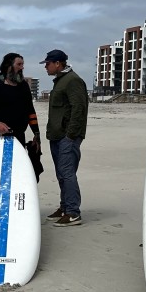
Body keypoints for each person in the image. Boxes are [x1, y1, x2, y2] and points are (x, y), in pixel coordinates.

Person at [40, 49, 88, 227]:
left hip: (67, 137)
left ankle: (73, 212)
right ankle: (65, 207)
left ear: (57, 63)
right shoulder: (61, 81)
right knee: (62, 174)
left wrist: (71, 135)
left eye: (47, 63)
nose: (45, 66)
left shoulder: (73, 80)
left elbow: (79, 109)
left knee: (67, 174)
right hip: (57, 135)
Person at [0, 52, 43, 180]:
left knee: (17, 172)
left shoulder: (23, 86)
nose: (22, 67)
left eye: (23, 64)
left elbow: (30, 111)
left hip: (19, 138)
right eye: (19, 64)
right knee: (2, 173)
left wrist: (37, 134)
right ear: (8, 66)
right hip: (0, 138)